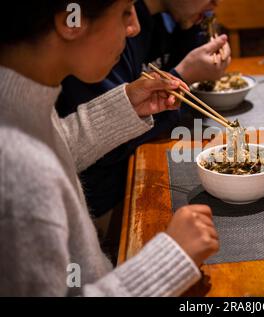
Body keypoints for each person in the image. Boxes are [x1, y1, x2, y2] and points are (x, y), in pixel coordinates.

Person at [0, 0, 218, 296]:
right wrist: (169, 260)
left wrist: (126, 107)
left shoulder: (18, 102)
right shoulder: (18, 168)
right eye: (125, 12)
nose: (134, 28)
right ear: (71, 21)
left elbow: (58, 144)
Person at [57, 0, 231, 218]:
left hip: (127, 182)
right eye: (126, 13)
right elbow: (106, 154)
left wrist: (192, 31)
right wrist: (183, 74)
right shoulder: (103, 38)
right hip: (106, 201)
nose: (134, 27)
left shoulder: (162, 19)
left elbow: (62, 141)